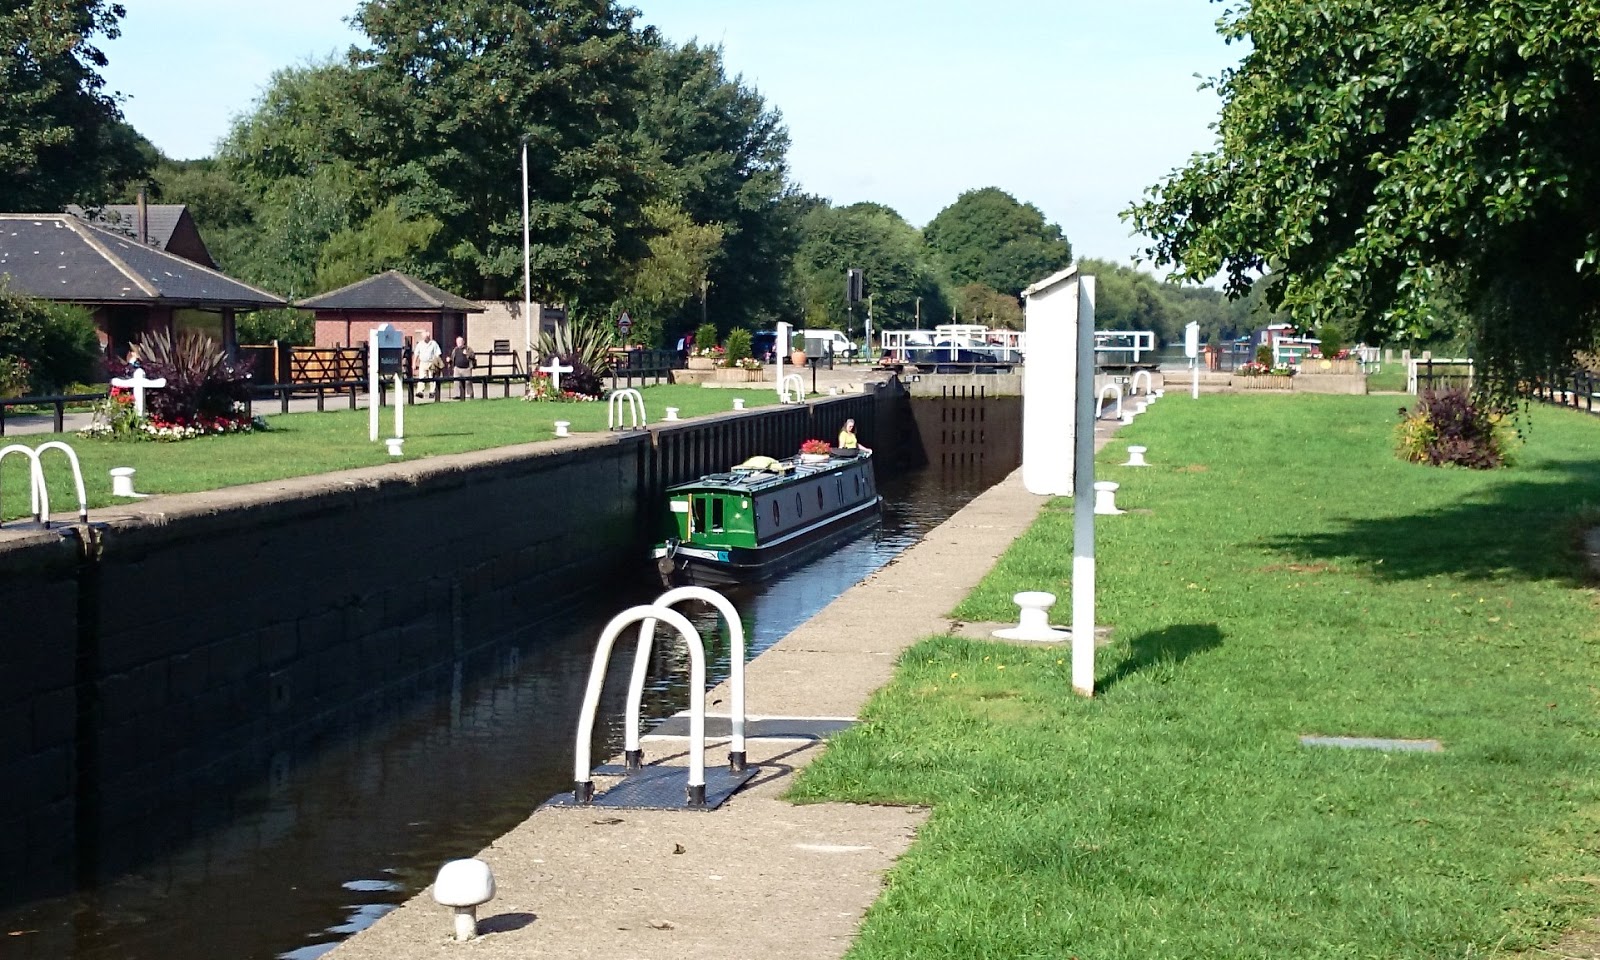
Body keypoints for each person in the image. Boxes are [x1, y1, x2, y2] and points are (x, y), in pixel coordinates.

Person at [413, 330, 442, 399]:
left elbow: (437, 354)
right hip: (423, 362)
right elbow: (416, 354)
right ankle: (420, 391)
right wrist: (414, 363)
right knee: (421, 377)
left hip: (431, 362)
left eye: (426, 337)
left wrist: (438, 363)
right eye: (423, 337)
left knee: (432, 377)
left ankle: (432, 392)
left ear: (428, 336)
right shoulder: (420, 344)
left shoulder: (433, 343)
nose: (424, 338)